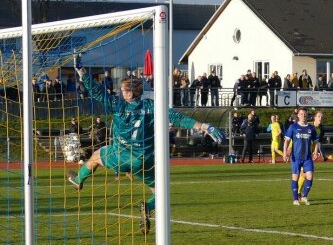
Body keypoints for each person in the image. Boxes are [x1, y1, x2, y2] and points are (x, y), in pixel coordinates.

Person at [67, 58, 225, 234]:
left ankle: (78, 180)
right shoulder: (151, 106)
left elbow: (97, 92)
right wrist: (205, 126)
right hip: (145, 160)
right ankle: (148, 207)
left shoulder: (117, 105)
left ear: (129, 93)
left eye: (124, 90)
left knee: (96, 155)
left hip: (121, 155)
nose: (121, 92)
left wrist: (81, 71)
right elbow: (177, 118)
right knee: (160, 192)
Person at [283, 107, 319, 206]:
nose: (303, 115)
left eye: (305, 114)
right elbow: (286, 140)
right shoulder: (293, 127)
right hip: (296, 157)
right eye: (301, 114)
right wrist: (285, 153)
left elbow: (316, 141)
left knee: (310, 176)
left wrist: (315, 152)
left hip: (307, 158)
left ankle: (304, 197)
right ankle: (295, 199)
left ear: (307, 115)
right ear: (298, 115)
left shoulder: (311, 128)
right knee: (295, 177)